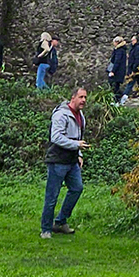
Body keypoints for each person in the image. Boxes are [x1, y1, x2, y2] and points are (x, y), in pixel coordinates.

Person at [42, 86, 90, 236]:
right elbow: (55, 137)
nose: (83, 100)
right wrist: (76, 145)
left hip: (72, 161)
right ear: (73, 98)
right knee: (52, 196)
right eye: (81, 97)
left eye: (85, 98)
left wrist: (79, 154)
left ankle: (61, 221)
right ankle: (46, 229)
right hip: (57, 160)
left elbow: (78, 137)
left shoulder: (80, 116)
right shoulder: (61, 114)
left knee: (77, 188)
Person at [109, 36, 129, 102]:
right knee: (115, 85)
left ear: (117, 42)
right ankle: (118, 98)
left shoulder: (119, 51)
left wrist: (113, 71)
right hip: (120, 71)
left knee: (114, 85)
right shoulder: (122, 50)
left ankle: (119, 98)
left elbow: (117, 61)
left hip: (117, 71)